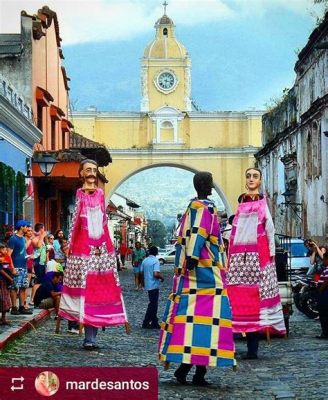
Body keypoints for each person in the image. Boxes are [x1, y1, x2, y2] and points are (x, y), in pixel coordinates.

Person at [158, 172, 236, 386]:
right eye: (210, 182)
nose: (212, 185)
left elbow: (193, 233)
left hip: (190, 277)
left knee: (189, 319)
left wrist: (190, 259)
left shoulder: (191, 207)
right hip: (208, 274)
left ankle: (186, 368)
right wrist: (193, 257)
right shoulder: (205, 207)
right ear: (203, 184)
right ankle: (196, 372)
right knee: (212, 321)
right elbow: (198, 233)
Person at [59, 159, 129, 350]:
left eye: (94, 170)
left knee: (98, 294)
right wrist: (70, 247)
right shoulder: (79, 194)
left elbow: (103, 222)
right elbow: (75, 223)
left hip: (101, 253)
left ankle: (92, 338)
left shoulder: (99, 194)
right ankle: (88, 338)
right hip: (82, 253)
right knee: (85, 293)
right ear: (81, 173)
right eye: (88, 170)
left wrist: (108, 250)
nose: (91, 173)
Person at [226, 167, 286, 359]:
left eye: (255, 176)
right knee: (235, 300)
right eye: (248, 176)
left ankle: (252, 350)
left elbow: (269, 228)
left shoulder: (261, 202)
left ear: (260, 181)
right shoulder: (241, 201)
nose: (251, 179)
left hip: (257, 259)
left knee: (255, 303)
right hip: (238, 260)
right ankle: (231, 346)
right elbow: (234, 230)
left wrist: (268, 258)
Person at [7, 220, 33, 315]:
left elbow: (22, 250)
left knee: (23, 287)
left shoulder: (22, 238)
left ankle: (22, 307)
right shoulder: (13, 239)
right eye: (26, 226)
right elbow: (9, 255)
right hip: (16, 267)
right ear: (22, 227)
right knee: (14, 287)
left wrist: (28, 256)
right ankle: (14, 307)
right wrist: (12, 268)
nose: (27, 228)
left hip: (23, 266)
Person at [140, 246, 164, 329]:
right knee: (153, 304)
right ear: (156, 252)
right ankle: (146, 322)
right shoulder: (155, 261)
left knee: (153, 303)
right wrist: (162, 277)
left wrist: (142, 283)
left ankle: (154, 321)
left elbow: (141, 273)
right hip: (154, 285)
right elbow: (156, 274)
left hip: (147, 284)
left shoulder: (145, 261)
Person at [0, 243, 17, 325]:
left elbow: (8, 267)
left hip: (5, 281)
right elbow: (1, 270)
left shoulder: (5, 258)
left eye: (5, 249)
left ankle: (3, 318)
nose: (5, 251)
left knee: (5, 298)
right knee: (2, 299)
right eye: (3, 249)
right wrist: (10, 278)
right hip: (1, 281)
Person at [316, 252, 328, 339]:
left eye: (324, 259)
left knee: (324, 314)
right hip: (324, 292)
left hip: (325, 293)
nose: (323, 261)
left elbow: (327, 280)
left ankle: (326, 333)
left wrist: (320, 290)